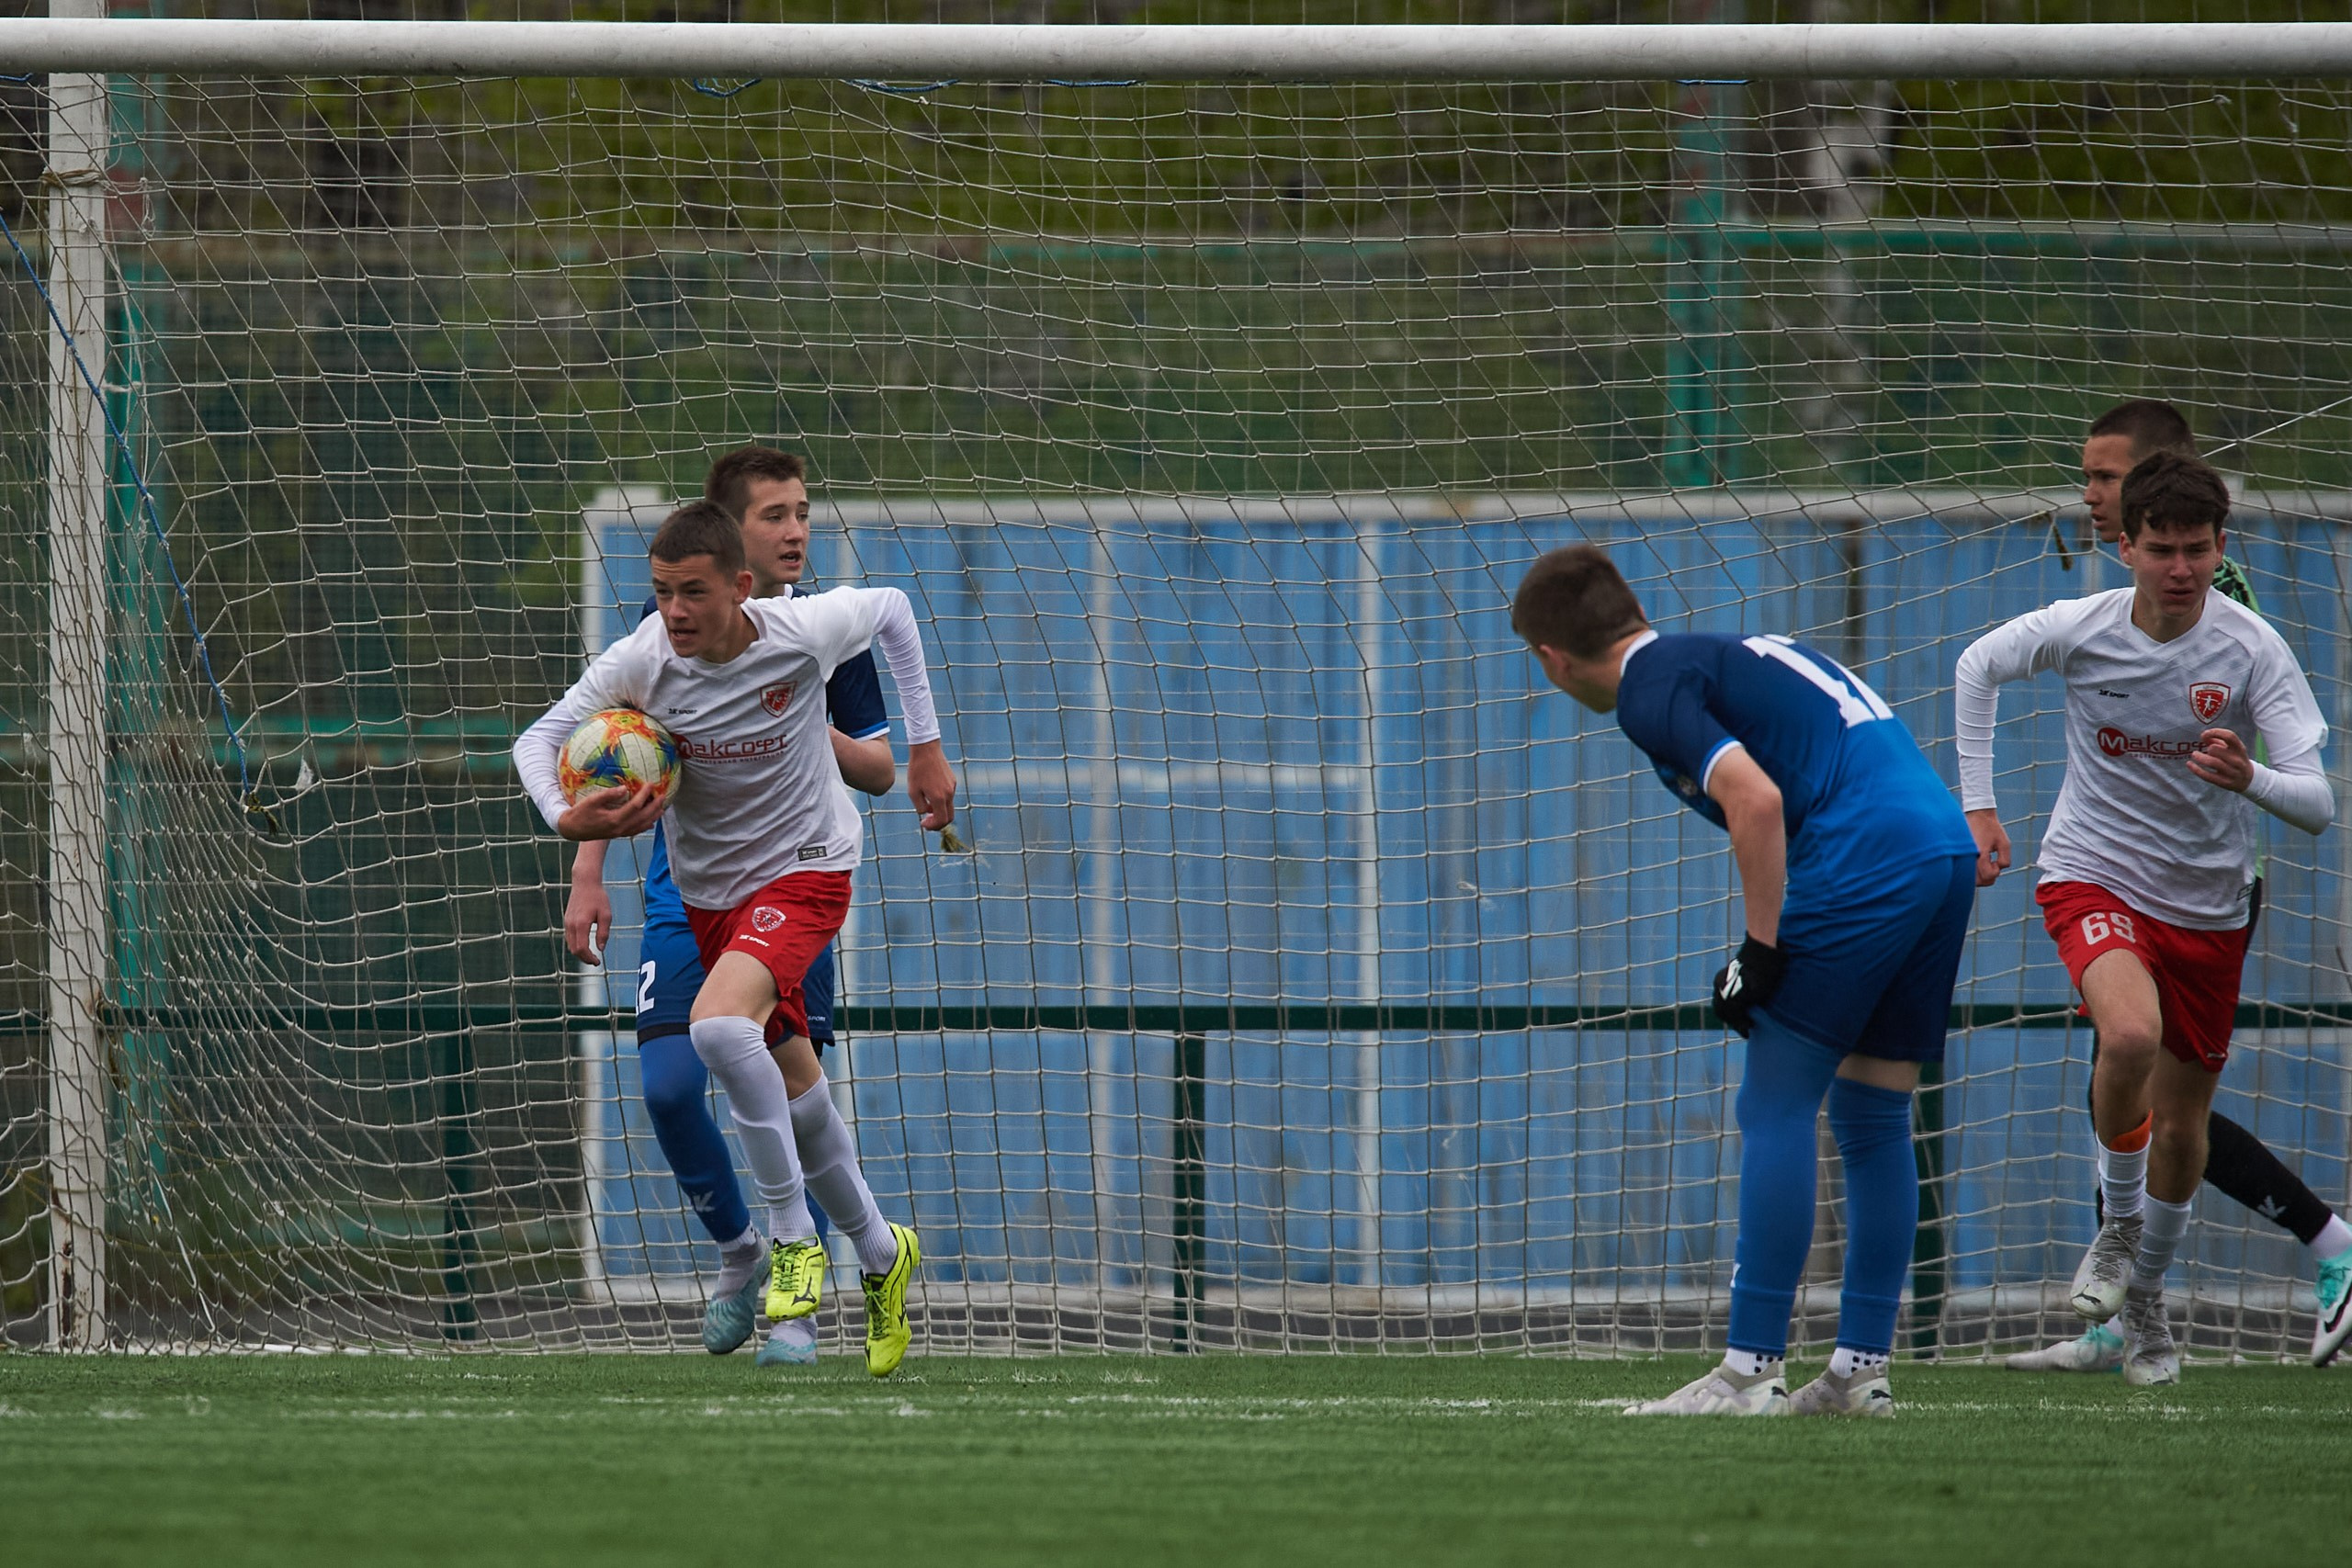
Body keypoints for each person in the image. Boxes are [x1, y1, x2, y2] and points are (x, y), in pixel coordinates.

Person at [1516, 545, 1976, 1417]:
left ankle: (1749, 1370)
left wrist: (1758, 952)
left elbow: (1755, 801)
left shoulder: (1650, 688)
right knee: (1875, 1115)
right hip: (1939, 848)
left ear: (1551, 657)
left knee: (1775, 1106)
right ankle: (1858, 1373)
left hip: (1866, 856)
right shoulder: (1718, 651)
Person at [515, 500, 956, 1378]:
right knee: (797, 1083)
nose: (675, 611)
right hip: (713, 899)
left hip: (809, 867)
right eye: (663, 592)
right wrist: (570, 821)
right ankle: (878, 1249)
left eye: (694, 593)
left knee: (719, 1030)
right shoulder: (644, 659)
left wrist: (927, 749)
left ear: (740, 588)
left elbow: (897, 610)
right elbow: (539, 740)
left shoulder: (801, 631)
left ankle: (791, 1238)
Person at [1957, 451, 2335, 1383]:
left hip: (2208, 909)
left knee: (2180, 1130)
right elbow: (1976, 667)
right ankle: (2120, 1232)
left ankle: (2147, 1311)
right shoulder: (2079, 628)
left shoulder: (2250, 650)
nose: (2180, 568)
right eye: (2160, 548)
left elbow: (2317, 802)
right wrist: (1978, 806)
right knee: (2125, 1039)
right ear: (2123, 547)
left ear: (2219, 547)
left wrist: (2251, 777)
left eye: (2197, 550)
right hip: (2093, 876)